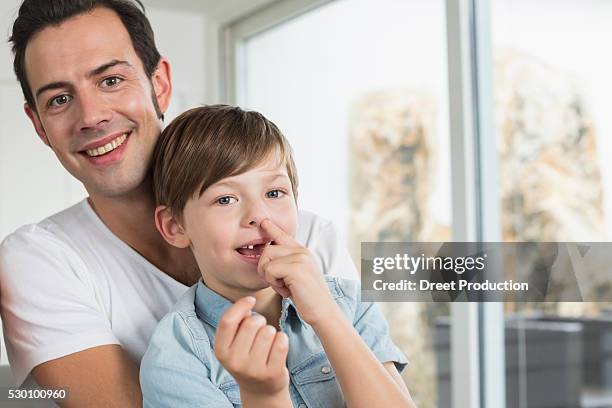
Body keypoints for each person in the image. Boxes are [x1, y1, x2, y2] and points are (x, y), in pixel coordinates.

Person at [0, 1, 356, 406]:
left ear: (160, 84)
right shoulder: (41, 261)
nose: (91, 116)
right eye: (59, 99)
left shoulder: (311, 238)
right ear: (39, 126)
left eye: (111, 80)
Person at [140, 105, 416, 407]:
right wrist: (263, 396)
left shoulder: (347, 303)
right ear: (174, 226)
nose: (258, 215)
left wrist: (325, 315)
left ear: (296, 203)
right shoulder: (177, 356)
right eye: (225, 199)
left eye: (274, 194)